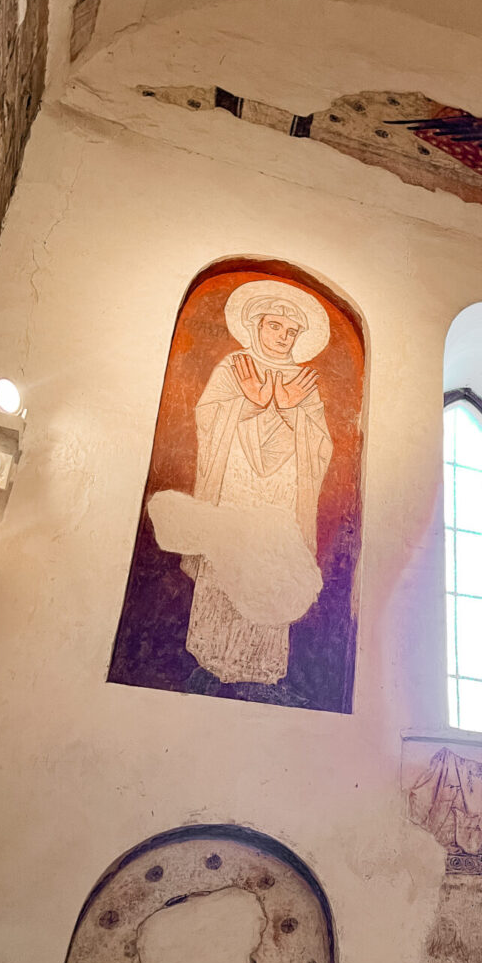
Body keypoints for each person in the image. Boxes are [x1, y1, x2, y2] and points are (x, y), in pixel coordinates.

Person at [148, 280, 333, 684]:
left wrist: (288, 409)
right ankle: (212, 648)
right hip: (236, 482)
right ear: (256, 326)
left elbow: (320, 448)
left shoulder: (304, 381)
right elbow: (208, 419)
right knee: (227, 550)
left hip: (280, 494)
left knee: (271, 560)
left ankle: (260, 661)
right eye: (275, 327)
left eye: (290, 332)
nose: (282, 338)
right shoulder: (235, 367)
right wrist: (252, 400)